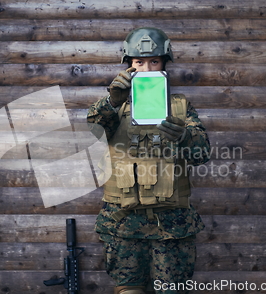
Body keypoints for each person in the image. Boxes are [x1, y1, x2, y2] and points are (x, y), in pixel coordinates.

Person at [87, 27, 211, 294]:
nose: (146, 68)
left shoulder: (180, 106)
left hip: (171, 224)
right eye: (138, 62)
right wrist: (112, 101)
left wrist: (184, 137)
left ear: (164, 63)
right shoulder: (112, 106)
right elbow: (94, 132)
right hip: (123, 222)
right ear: (128, 66)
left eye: (154, 61)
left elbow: (202, 154)